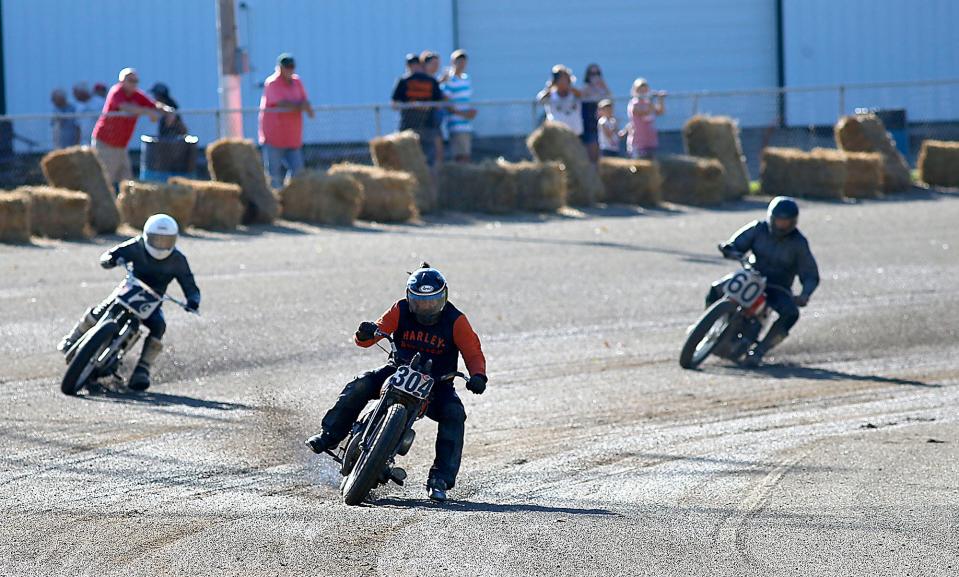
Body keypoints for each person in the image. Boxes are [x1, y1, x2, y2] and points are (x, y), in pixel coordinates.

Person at [305, 263, 488, 502]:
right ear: (409, 298)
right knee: (360, 384)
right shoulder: (400, 310)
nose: (426, 307)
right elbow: (373, 334)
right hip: (397, 369)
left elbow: (473, 352)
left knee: (455, 413)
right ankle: (329, 435)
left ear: (443, 298)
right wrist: (366, 332)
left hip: (438, 385)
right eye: (420, 301)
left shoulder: (456, 320)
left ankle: (440, 479)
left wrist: (478, 376)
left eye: (432, 301)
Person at [57, 214, 201, 390]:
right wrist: (110, 260)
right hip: (129, 289)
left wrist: (193, 300)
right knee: (100, 310)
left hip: (153, 301)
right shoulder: (136, 245)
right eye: (156, 239)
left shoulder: (179, 260)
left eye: (166, 241)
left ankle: (143, 369)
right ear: (147, 236)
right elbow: (111, 254)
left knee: (159, 326)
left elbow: (190, 284)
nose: (161, 245)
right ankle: (72, 339)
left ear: (174, 240)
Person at [706, 197, 820, 367]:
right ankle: (707, 325)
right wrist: (729, 248)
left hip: (778, 287)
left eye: (786, 222)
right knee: (716, 289)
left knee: (791, 314)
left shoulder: (799, 243)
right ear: (771, 218)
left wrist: (805, 294)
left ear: (793, 222)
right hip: (752, 276)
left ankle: (759, 351)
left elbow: (810, 274)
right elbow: (737, 243)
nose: (781, 225)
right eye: (779, 221)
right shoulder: (758, 228)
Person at [92, 68, 175, 189]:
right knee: (106, 180)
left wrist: (168, 111)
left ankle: (124, 206)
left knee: (127, 180)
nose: (134, 83)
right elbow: (125, 107)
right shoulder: (116, 92)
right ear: (122, 81)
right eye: (130, 80)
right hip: (106, 143)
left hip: (121, 145)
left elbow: (154, 105)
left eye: (136, 81)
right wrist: (148, 112)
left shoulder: (137, 95)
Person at [259, 53, 314, 189]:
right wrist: (299, 106)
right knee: (274, 173)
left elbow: (305, 101)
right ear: (280, 68)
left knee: (298, 171)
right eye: (286, 67)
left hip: (292, 137)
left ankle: (289, 195)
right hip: (274, 137)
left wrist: (305, 108)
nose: (289, 70)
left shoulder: (297, 81)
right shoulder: (272, 83)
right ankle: (275, 201)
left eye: (291, 67)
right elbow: (281, 103)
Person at [392, 53, 444, 164]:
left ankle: (431, 180)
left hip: (427, 125)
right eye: (412, 64)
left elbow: (439, 104)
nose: (414, 67)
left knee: (429, 159)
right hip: (409, 125)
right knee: (408, 158)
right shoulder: (403, 81)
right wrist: (413, 105)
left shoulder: (431, 81)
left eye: (416, 64)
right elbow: (394, 104)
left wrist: (422, 106)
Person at [442, 49, 476, 163]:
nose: (461, 64)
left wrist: (470, 113)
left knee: (466, 154)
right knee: (460, 156)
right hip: (456, 123)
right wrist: (463, 114)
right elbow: (447, 103)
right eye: (459, 61)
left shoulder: (467, 79)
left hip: (467, 123)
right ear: (453, 62)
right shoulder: (450, 80)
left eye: (463, 61)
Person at [536, 65, 583, 135]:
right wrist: (550, 88)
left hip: (574, 131)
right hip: (556, 133)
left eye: (565, 78)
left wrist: (569, 88)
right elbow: (540, 100)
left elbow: (583, 96)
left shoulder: (574, 93)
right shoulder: (550, 94)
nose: (563, 81)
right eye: (560, 79)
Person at [626, 78, 665, 159]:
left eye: (645, 89)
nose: (643, 92)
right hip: (638, 143)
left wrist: (660, 99)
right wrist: (651, 99)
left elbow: (660, 112)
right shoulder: (633, 104)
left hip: (651, 141)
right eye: (640, 90)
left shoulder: (648, 102)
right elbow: (645, 111)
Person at [580, 64, 611, 162]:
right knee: (591, 152)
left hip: (602, 124)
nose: (595, 76)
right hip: (590, 125)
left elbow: (610, 99)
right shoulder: (585, 88)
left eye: (597, 73)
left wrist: (603, 86)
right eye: (592, 74)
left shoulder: (603, 89)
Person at [421, 51, 446, 166]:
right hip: (425, 123)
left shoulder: (434, 80)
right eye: (434, 63)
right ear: (425, 64)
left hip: (435, 122)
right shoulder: (422, 80)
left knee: (438, 152)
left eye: (438, 63)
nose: (437, 66)